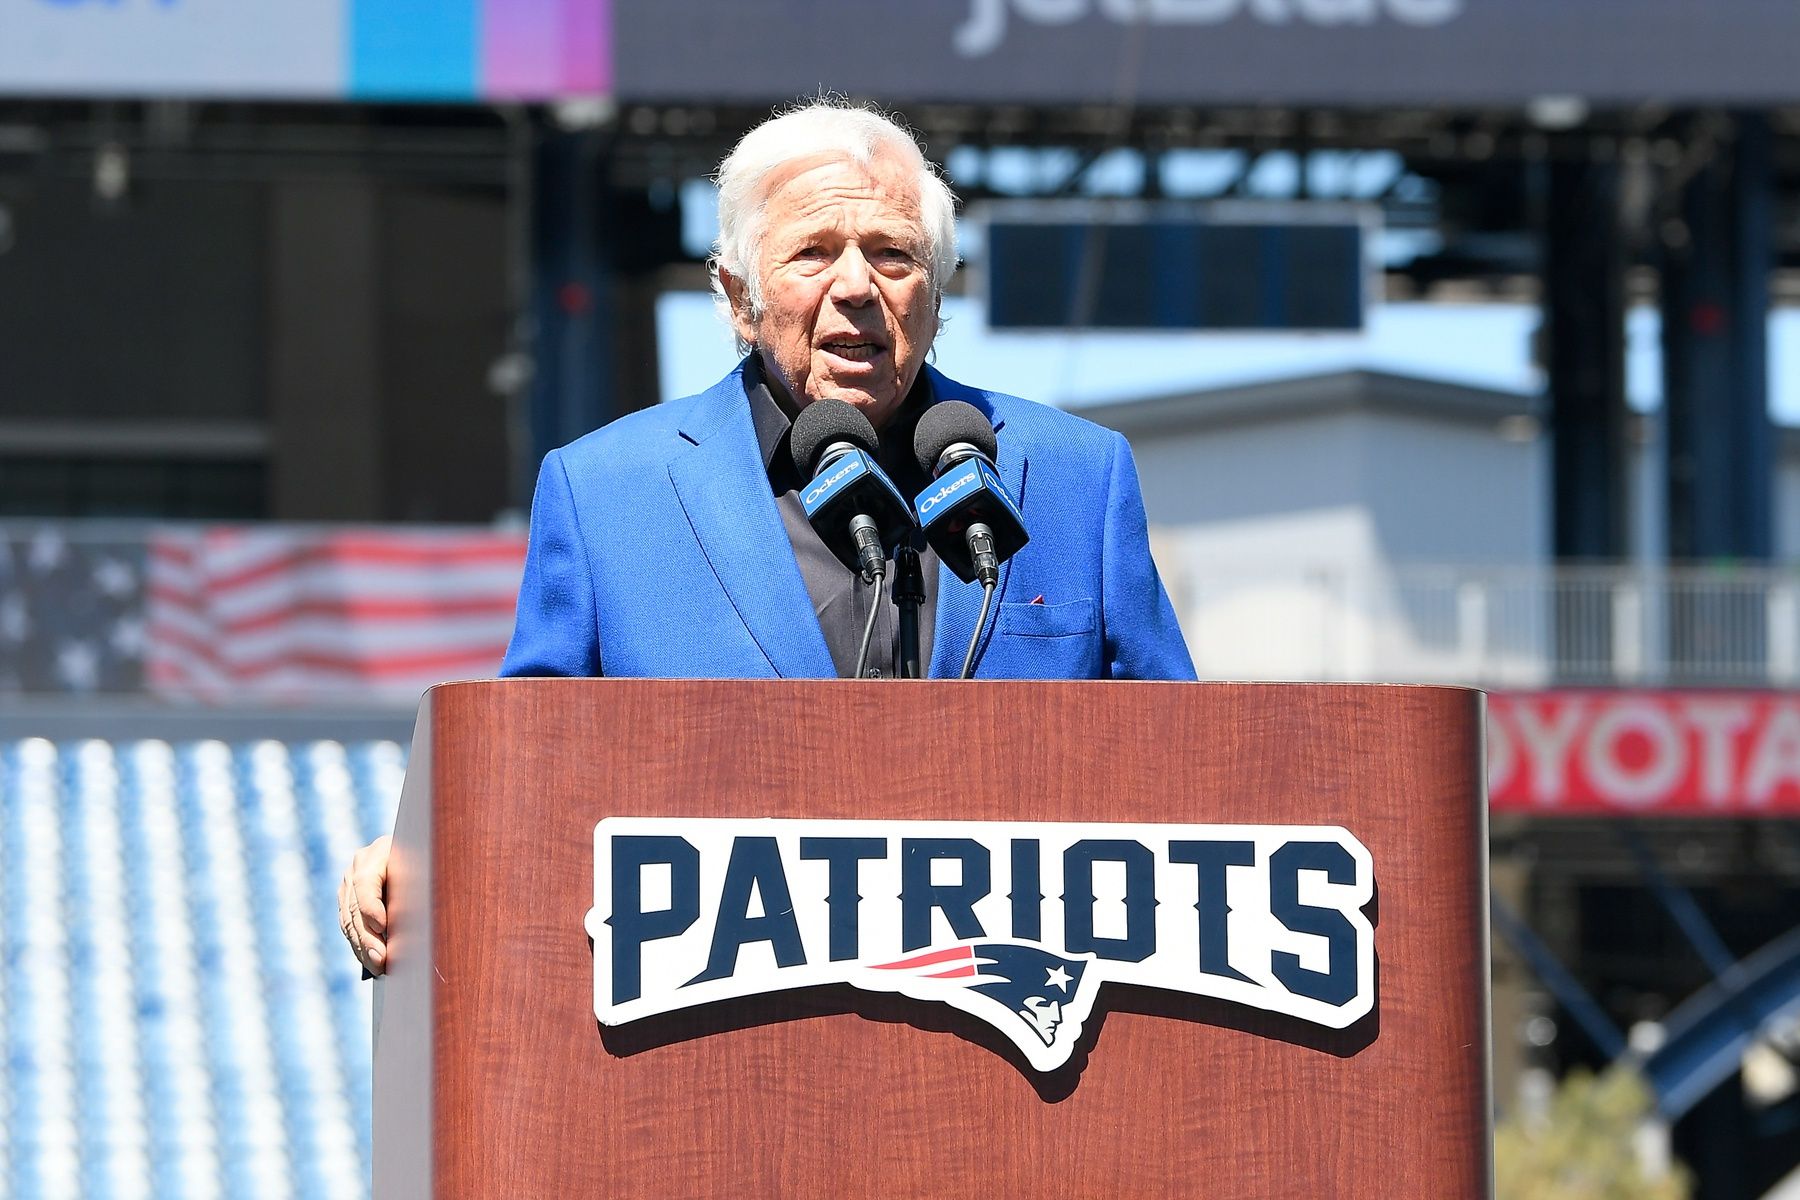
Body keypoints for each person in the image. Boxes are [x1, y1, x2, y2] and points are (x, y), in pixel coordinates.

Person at [338, 99, 1195, 975]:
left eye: (894, 254)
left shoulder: (1075, 475)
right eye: (813, 254)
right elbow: (527, 770)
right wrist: (426, 852)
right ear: (740, 298)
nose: (857, 286)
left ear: (936, 293)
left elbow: (1183, 769)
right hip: (728, 1041)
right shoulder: (605, 490)